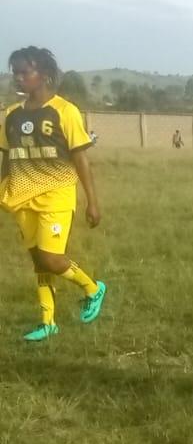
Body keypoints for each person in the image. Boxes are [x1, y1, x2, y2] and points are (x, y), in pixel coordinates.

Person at [2, 47, 108, 342]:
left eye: (25, 72)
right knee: (38, 260)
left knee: (51, 258)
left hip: (56, 194)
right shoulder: (11, 114)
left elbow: (80, 158)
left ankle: (93, 288)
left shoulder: (65, 111)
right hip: (21, 196)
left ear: (44, 74)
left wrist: (92, 202)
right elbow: (6, 157)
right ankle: (48, 322)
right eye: (15, 73)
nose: (19, 78)